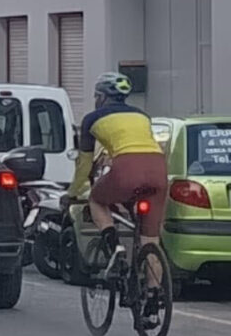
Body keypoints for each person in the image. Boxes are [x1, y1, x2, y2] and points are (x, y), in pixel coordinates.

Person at [65, 72, 167, 261]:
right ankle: (154, 289)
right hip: (158, 167)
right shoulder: (142, 115)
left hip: (127, 168)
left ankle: (115, 249)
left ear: (102, 97)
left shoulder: (91, 119)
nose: (95, 100)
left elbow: (84, 163)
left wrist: (73, 192)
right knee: (151, 241)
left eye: (96, 96)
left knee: (96, 200)